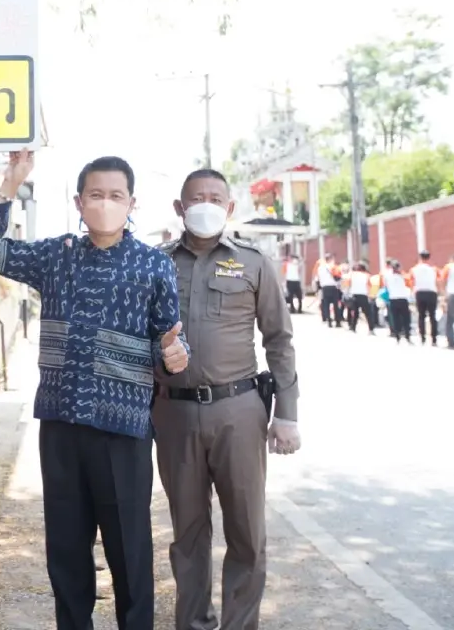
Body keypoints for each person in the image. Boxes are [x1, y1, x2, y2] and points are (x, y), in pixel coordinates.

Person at [0, 152, 189, 630]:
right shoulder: (56, 255)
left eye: (116, 196)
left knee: (129, 554)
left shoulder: (153, 265)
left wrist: (177, 355)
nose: (106, 204)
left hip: (124, 431)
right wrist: (10, 182)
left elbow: (168, 337)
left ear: (132, 202)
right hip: (62, 427)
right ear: (79, 201)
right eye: (96, 195)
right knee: (67, 555)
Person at [155, 168, 300, 630]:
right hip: (173, 414)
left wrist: (287, 415)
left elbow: (279, 339)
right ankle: (194, 623)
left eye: (215, 197)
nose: (206, 203)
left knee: (246, 532)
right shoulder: (155, 262)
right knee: (188, 535)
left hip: (238, 411)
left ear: (230, 207)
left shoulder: (255, 263)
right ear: (180, 208)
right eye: (196, 197)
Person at [411, 250, 440, 346]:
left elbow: (412, 282)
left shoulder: (414, 269)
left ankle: (422, 337)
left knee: (421, 316)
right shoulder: (434, 269)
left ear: (420, 257)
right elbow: (438, 281)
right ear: (429, 258)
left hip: (420, 292)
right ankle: (434, 338)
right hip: (432, 292)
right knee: (432, 316)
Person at [384, 260, 413, 344]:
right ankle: (407, 336)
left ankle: (397, 336)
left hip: (393, 299)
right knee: (406, 319)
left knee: (395, 318)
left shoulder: (387, 276)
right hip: (403, 299)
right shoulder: (404, 276)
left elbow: (385, 285)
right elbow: (409, 285)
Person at [347, 262, 375, 334]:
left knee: (355, 312)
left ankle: (353, 327)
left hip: (354, 294)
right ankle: (371, 329)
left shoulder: (352, 275)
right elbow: (369, 285)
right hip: (363, 295)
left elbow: (348, 284)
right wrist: (369, 294)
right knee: (368, 313)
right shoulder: (367, 275)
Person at [316, 253, 342, 327]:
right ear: (331, 259)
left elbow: (318, 278)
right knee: (336, 305)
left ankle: (329, 321)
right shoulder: (333, 267)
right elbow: (339, 277)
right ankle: (337, 322)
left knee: (326, 305)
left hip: (324, 287)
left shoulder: (320, 268)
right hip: (333, 287)